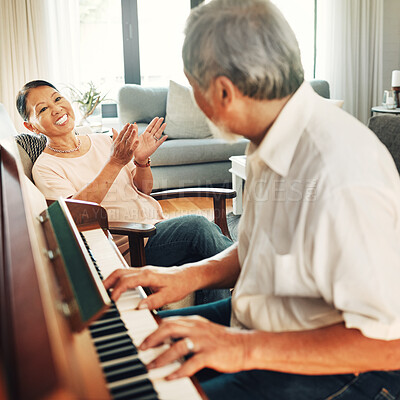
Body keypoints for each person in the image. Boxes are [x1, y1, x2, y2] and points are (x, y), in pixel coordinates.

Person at [103, 0, 400, 399]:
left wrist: (241, 349)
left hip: (346, 364)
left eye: (193, 86)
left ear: (223, 91)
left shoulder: (341, 173)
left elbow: (389, 343)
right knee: (135, 349)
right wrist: (187, 275)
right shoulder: (268, 137)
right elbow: (261, 247)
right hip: (265, 317)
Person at [16, 79, 232, 305]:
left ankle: (224, 320)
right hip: (132, 244)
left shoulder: (101, 140)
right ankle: (252, 271)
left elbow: (143, 189)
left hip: (155, 228)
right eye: (42, 109)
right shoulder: (46, 167)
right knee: (198, 228)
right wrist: (115, 162)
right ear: (31, 126)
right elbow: (73, 216)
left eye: (57, 98)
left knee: (205, 259)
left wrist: (141, 161)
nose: (56, 108)